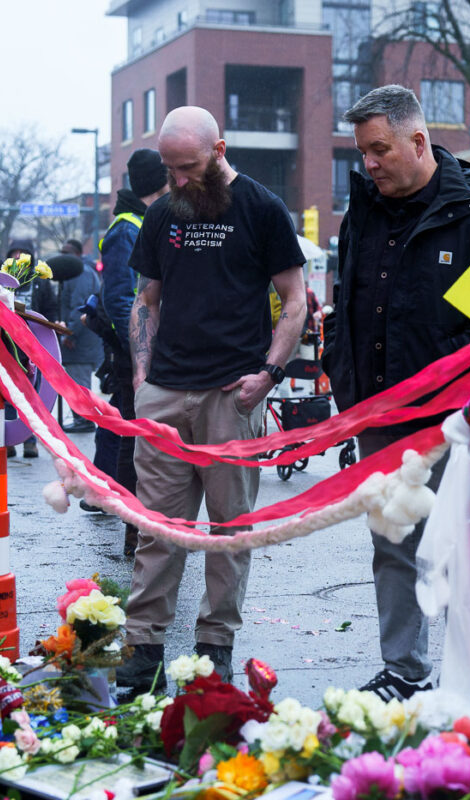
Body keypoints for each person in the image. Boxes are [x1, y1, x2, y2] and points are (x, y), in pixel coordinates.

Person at [115, 106, 307, 693]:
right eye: (170, 169)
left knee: (231, 532)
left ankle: (215, 647)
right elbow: (147, 300)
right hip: (166, 393)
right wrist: (144, 377)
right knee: (159, 531)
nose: (177, 180)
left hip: (233, 394)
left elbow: (295, 301)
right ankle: (142, 648)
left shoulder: (262, 209)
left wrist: (269, 374)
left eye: (188, 166)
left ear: (219, 150)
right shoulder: (164, 212)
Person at [322, 85, 470, 701]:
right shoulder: (364, 206)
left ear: (418, 141)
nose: (368, 163)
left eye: (379, 150)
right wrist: (340, 369)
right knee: (391, 543)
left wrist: (447, 384)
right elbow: (348, 298)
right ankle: (404, 670)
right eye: (363, 152)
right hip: (376, 411)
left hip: (454, 419)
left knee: (459, 551)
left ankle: (463, 677)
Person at [96, 148, 169, 555]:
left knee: (141, 438)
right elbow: (122, 300)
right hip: (136, 354)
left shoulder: (139, 221)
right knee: (134, 440)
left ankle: (143, 528)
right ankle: (134, 531)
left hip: (143, 349)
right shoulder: (128, 228)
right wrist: (143, 353)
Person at [55, 240, 103, 434]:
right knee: (78, 380)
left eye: (67, 253)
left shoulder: (80, 273)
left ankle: (84, 419)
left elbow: (79, 306)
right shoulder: (80, 273)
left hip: (81, 340)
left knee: (80, 381)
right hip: (83, 338)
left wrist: (71, 334)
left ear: (76, 254)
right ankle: (81, 418)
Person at [3, 239, 42, 459]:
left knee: (32, 396)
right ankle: (8, 439)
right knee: (8, 394)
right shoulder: (3, 283)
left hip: (34, 348)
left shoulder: (39, 282)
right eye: (15, 255)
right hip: (9, 347)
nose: (19, 260)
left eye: (24, 255)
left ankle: (30, 441)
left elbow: (49, 308)